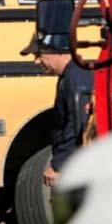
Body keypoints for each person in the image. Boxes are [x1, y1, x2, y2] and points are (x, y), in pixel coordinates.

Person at [20, 30, 93, 188]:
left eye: (39, 55)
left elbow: (77, 125)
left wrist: (60, 165)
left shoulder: (75, 78)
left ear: (57, 50)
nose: (36, 62)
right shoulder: (69, 77)